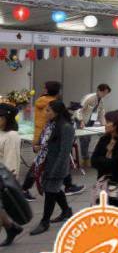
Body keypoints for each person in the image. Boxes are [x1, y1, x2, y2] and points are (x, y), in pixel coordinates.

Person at [24, 81, 83, 200]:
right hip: (49, 136)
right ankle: (25, 188)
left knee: (40, 162)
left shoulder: (40, 101)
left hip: (41, 135)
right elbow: (61, 118)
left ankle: (67, 185)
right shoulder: (54, 104)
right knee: (45, 162)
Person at [30, 100, 75, 235]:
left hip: (57, 165)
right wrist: (36, 147)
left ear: (57, 112)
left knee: (50, 192)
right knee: (53, 189)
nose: (46, 112)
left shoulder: (66, 127)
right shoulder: (50, 124)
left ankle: (45, 222)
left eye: (48, 110)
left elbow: (64, 152)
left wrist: (56, 170)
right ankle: (66, 210)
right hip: (45, 162)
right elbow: (42, 142)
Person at [90, 110, 118, 208]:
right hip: (102, 184)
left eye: (108, 122)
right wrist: (106, 161)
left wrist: (102, 160)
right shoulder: (104, 139)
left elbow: (116, 164)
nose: (105, 124)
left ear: (117, 125)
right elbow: (93, 161)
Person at [0, 104, 23, 246]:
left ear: (7, 118)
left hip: (3, 178)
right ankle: (11, 228)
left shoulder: (12, 135)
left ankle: (11, 228)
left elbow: (11, 161)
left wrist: (7, 181)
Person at [74, 83, 111, 163]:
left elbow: (101, 113)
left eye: (106, 93)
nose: (105, 95)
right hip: (82, 120)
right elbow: (79, 110)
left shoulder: (101, 100)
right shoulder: (89, 98)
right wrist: (81, 121)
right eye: (104, 92)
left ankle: (87, 157)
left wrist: (104, 124)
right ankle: (85, 158)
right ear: (98, 90)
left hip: (90, 121)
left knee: (88, 139)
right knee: (84, 139)